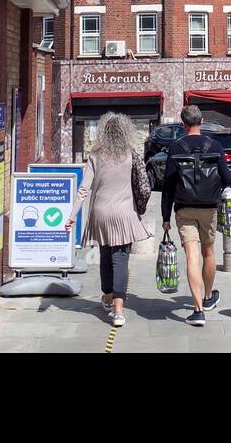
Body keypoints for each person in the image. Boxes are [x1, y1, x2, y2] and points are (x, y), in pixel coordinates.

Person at [66, 113, 150, 328]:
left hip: (100, 213)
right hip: (124, 214)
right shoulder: (130, 155)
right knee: (120, 259)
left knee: (105, 255)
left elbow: (84, 189)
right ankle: (119, 311)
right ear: (125, 131)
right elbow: (142, 185)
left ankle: (107, 296)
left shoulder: (95, 156)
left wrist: (72, 216)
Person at [161, 104, 231, 326]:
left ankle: (198, 310)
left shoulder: (176, 147)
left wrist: (165, 217)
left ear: (183, 124)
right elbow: (227, 178)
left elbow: (168, 185)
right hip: (209, 207)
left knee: (192, 255)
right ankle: (209, 296)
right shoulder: (215, 145)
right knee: (208, 252)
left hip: (184, 207)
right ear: (201, 122)